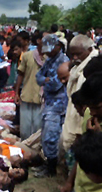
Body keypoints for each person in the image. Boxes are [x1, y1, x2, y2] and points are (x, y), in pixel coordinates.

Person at [61, 35, 98, 169]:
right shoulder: (78, 66)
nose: (75, 57)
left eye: (78, 54)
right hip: (74, 108)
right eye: (73, 54)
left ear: (89, 49)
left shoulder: (94, 65)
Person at [35, 34, 69, 177]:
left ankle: (51, 168)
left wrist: (46, 81)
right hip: (49, 102)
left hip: (58, 105)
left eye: (50, 49)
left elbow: (55, 84)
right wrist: (46, 80)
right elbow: (38, 77)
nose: (47, 52)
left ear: (58, 46)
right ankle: (48, 164)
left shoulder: (64, 61)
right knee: (45, 135)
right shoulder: (49, 60)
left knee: (51, 135)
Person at [14, 33, 43, 140]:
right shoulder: (27, 56)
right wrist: (16, 93)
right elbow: (20, 74)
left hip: (42, 98)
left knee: (38, 128)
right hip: (27, 95)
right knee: (25, 129)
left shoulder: (50, 59)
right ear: (39, 41)